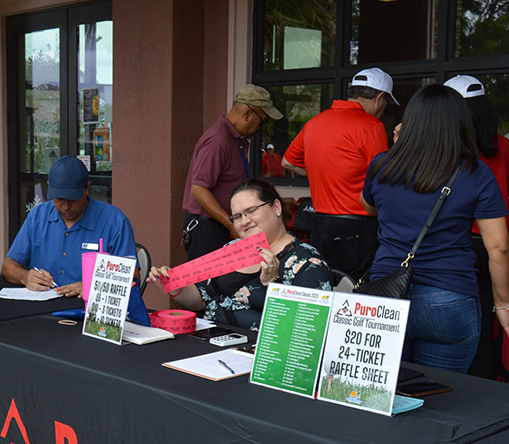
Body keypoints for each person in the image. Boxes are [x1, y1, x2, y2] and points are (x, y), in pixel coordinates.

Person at [360, 84, 509, 374]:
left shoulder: (382, 164)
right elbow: (499, 247)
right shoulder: (476, 172)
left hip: (385, 296)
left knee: (382, 393)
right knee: (440, 402)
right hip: (448, 298)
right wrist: (503, 305)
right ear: (459, 123)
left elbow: (369, 207)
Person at [149, 179, 332, 329]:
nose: (244, 222)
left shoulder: (309, 264)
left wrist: (272, 283)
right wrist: (174, 286)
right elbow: (201, 299)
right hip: (207, 344)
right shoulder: (234, 248)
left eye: (251, 211)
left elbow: (304, 331)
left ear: (276, 207)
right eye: (237, 217)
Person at [282, 67, 397, 281]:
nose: (384, 109)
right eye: (386, 104)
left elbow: (287, 161)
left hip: (319, 226)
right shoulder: (372, 125)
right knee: (358, 295)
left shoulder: (315, 122)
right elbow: (383, 179)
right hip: (358, 229)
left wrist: (326, 174)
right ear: (380, 98)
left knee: (325, 289)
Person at [444, 75, 509, 378]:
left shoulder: (444, 150)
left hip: (454, 246)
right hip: (498, 245)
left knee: (457, 322)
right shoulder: (505, 148)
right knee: (493, 323)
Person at [2, 155, 137, 297]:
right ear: (49, 187)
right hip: (42, 307)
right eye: (59, 199)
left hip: (88, 308)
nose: (66, 207)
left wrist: (93, 286)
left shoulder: (114, 221)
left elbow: (133, 277)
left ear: (87, 189)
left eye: (73, 199)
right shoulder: (38, 216)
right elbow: (8, 266)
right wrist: (25, 277)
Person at [182, 85, 283, 261]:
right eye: (263, 121)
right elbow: (198, 189)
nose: (262, 127)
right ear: (248, 114)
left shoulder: (236, 140)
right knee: (206, 287)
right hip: (208, 229)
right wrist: (230, 224)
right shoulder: (218, 140)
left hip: (221, 225)